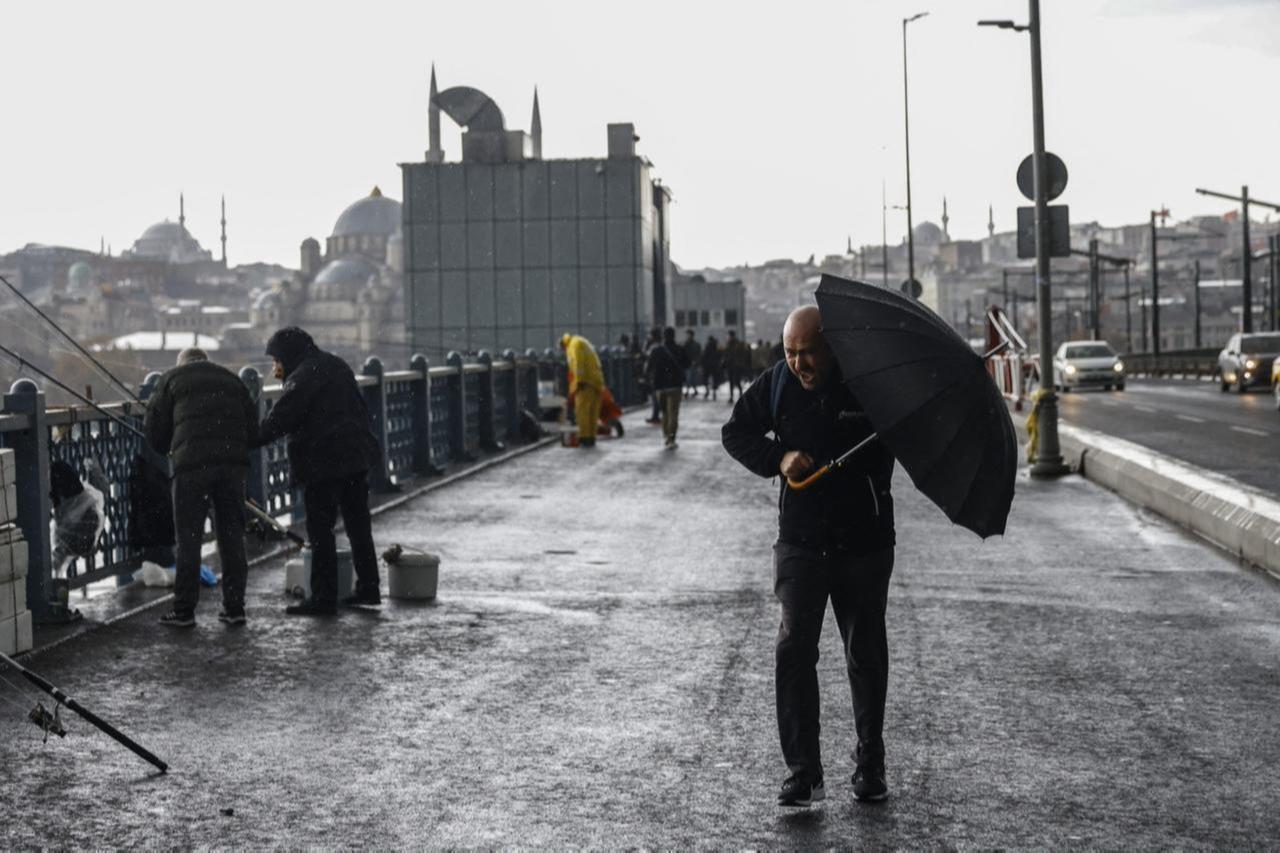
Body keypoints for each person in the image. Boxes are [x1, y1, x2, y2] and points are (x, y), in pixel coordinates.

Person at [721, 305, 896, 808]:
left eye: (808, 352)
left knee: (864, 653)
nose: (799, 362)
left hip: (864, 540)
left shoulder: (869, 384)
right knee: (793, 649)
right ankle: (803, 771)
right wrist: (778, 457)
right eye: (790, 352)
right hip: (800, 540)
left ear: (832, 347)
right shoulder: (776, 383)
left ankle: (870, 763)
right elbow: (736, 432)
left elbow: (903, 443)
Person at [257, 327, 382, 616]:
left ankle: (323, 597)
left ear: (288, 355)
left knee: (320, 529)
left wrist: (247, 438)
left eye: (276, 361)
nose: (275, 368)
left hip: (323, 463)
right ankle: (368, 587)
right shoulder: (335, 364)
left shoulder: (302, 377)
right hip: (354, 456)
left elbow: (279, 420)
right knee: (358, 525)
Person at [144, 347, 258, 628]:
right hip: (231, 467)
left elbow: (154, 429)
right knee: (232, 535)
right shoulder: (232, 380)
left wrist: (170, 447)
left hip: (191, 467)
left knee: (189, 537)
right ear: (207, 362)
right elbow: (253, 430)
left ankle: (184, 611)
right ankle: (234, 608)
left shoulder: (172, 379)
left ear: (182, 364)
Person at [647, 326, 689, 449]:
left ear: (663, 336)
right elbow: (687, 364)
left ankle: (666, 435)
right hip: (675, 386)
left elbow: (649, 367)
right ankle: (671, 438)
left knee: (664, 412)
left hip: (660, 387)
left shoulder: (656, 350)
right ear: (673, 336)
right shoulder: (679, 349)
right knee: (673, 413)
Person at [560, 332, 604, 448]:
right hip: (596, 380)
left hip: (585, 382)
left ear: (563, 346)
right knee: (592, 413)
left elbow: (577, 364)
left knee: (582, 412)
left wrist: (579, 382)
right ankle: (591, 438)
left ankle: (584, 438)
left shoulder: (573, 346)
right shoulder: (581, 341)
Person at [723, 330, 752, 404]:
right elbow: (727, 354)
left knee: (736, 381)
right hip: (730, 366)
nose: (728, 337)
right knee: (731, 382)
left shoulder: (738, 344)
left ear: (732, 336)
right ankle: (732, 397)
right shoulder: (729, 344)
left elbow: (742, 355)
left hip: (736, 366)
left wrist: (740, 363)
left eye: (729, 336)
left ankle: (741, 395)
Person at [642, 327, 663, 425]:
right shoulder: (661, 346)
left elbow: (648, 358)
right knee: (658, 396)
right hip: (661, 374)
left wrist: (646, 373)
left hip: (654, 374)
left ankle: (656, 416)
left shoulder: (653, 347)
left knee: (655, 396)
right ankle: (658, 415)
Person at [701, 335, 723, 401]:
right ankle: (714, 393)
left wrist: (702, 364)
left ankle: (707, 391)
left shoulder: (707, 346)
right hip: (714, 366)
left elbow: (704, 356)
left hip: (707, 366)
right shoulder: (716, 347)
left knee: (706, 379)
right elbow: (720, 355)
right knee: (714, 379)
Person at [682, 329, 703, 399]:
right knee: (690, 378)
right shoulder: (685, 344)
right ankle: (694, 390)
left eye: (689, 335)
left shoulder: (696, 345)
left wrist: (696, 362)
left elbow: (699, 355)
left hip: (693, 364)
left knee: (690, 378)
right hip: (687, 364)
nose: (688, 336)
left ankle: (688, 391)